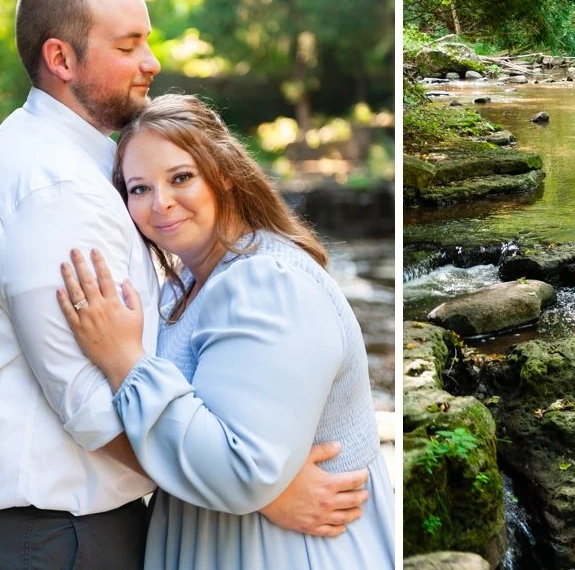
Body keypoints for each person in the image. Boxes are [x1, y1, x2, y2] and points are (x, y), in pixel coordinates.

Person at [0, 0, 365, 569]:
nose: (152, 61)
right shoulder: (58, 190)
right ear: (62, 59)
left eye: (180, 178)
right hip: (49, 537)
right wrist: (258, 491)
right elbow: (87, 403)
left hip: (46, 531)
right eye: (129, 44)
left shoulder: (58, 158)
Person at [56, 94, 397, 567]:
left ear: (225, 174)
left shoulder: (266, 282)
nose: (162, 204)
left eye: (181, 178)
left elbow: (242, 471)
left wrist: (123, 360)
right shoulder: (184, 290)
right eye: (139, 189)